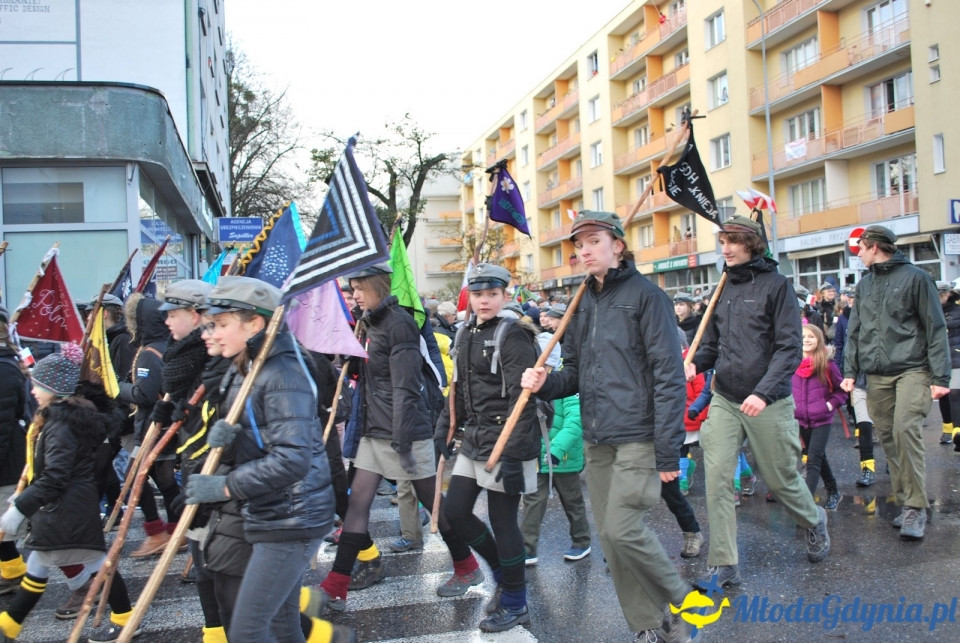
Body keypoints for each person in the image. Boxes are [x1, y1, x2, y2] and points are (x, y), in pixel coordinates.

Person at [522, 211, 693, 641]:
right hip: (598, 440)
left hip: (639, 436)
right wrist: (545, 384)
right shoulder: (580, 303)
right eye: (578, 245)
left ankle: (686, 600)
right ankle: (651, 626)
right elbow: (574, 375)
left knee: (622, 528)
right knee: (612, 542)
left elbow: (670, 376)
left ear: (618, 245)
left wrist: (669, 450)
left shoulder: (647, 297)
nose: (583, 251)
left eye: (593, 241)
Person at [313, 264, 482, 613]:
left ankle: (468, 567)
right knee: (357, 505)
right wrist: (352, 359)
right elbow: (374, 375)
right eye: (352, 289)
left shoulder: (400, 323)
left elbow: (407, 387)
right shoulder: (369, 323)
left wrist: (403, 442)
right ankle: (336, 587)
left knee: (434, 505)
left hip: (406, 431)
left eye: (359, 288)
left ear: (378, 286)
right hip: (375, 430)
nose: (354, 295)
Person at [183, 276, 336, 642]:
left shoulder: (282, 372)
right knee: (282, 626)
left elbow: (292, 460)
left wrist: (223, 486)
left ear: (255, 324)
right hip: (271, 511)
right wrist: (229, 440)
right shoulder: (246, 367)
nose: (211, 333)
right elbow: (262, 438)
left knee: (249, 630)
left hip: (292, 519)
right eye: (210, 325)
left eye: (220, 325)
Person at [685, 215, 831, 592]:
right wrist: (692, 363)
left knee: (781, 480)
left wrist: (762, 392)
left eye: (732, 241)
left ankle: (814, 520)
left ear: (752, 245)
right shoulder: (721, 287)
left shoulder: (777, 285)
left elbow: (789, 347)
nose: (725, 248)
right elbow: (712, 347)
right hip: (724, 398)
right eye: (722, 241)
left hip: (769, 401)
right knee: (716, 480)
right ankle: (725, 563)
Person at [0, 344, 140, 642]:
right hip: (65, 508)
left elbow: (55, 477)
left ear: (54, 388)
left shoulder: (61, 424)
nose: (33, 390)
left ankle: (126, 619)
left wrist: (22, 506)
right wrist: (24, 497)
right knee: (43, 563)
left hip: (67, 508)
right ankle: (10, 626)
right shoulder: (59, 418)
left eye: (38, 384)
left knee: (96, 565)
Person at [439, 262, 540, 633]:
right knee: (455, 512)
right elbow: (458, 392)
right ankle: (502, 572)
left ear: (505, 296)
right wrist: (443, 433)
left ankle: (515, 602)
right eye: (478, 294)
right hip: (475, 438)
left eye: (492, 294)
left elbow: (522, 398)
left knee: (503, 520)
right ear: (470, 295)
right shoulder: (464, 331)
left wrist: (512, 453)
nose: (484, 301)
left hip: (507, 440)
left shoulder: (513, 334)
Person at [841, 225, 950, 541]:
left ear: (874, 247)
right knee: (888, 436)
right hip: (876, 375)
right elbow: (856, 332)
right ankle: (906, 500)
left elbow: (935, 327)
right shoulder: (864, 285)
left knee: (905, 429)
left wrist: (941, 376)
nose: (858, 253)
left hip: (912, 370)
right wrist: (850, 371)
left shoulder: (916, 278)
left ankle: (917, 506)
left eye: (860, 248)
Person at [118, 293, 180, 557]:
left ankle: (157, 532)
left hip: (153, 427)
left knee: (135, 480)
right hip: (165, 425)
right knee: (164, 481)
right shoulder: (167, 345)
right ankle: (176, 531)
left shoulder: (148, 354)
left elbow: (144, 394)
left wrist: (118, 388)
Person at [520, 368, 592, 566]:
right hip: (537, 455)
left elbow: (575, 420)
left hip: (564, 458)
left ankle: (581, 541)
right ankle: (527, 549)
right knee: (533, 501)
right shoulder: (529, 383)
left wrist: (556, 451)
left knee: (573, 502)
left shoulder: (565, 384)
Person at [793, 325, 847, 511]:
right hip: (800, 420)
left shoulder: (828, 364)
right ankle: (833, 490)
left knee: (813, 460)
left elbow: (841, 392)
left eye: (810, 337)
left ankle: (805, 507)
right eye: (802, 337)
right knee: (819, 456)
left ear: (819, 339)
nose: (806, 340)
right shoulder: (791, 362)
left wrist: (828, 406)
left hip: (822, 419)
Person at [0, 305, 29, 597]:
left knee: (4, 525)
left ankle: (15, 573)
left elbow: (3, 421)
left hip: (5, 460)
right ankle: (12, 571)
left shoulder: (4, 369)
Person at [936, 282, 960, 446]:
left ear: (947, 295)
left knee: (955, 393)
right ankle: (947, 429)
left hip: (956, 356)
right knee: (943, 394)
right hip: (938, 359)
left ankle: (957, 432)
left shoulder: (957, 311)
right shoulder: (930, 310)